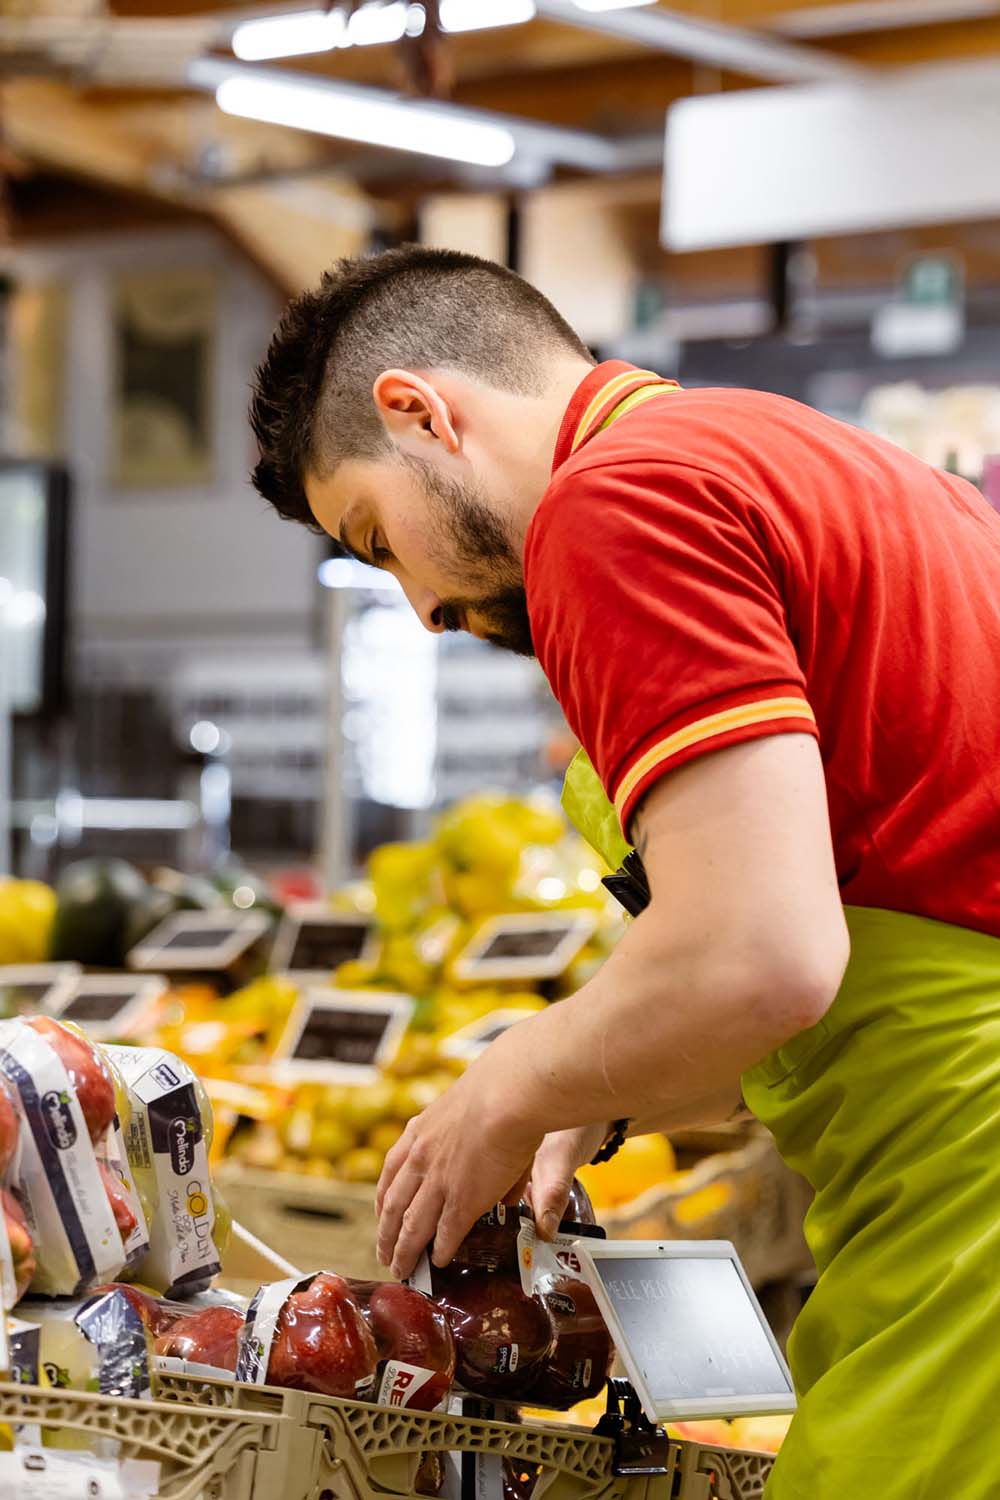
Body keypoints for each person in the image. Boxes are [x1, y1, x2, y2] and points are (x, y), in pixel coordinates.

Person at [249, 246, 1000, 1498]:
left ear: (421, 412)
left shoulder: (617, 501)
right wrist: (602, 1088)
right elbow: (867, 916)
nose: (421, 608)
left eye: (380, 538)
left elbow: (763, 954)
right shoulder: (796, 454)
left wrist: (504, 1086)